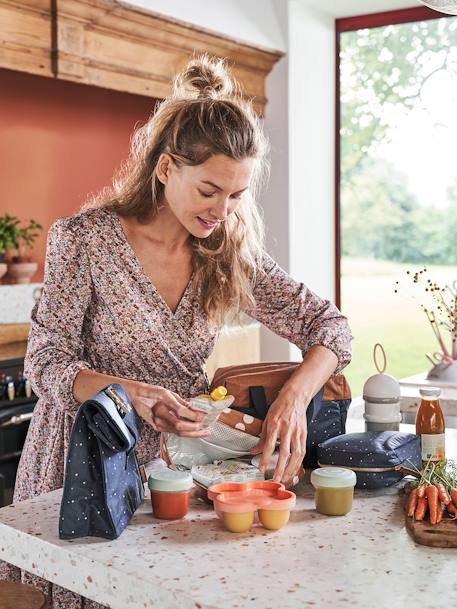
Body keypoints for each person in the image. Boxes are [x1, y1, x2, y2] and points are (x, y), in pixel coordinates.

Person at [0, 54, 352, 607]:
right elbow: (45, 360)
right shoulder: (84, 240)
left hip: (174, 471)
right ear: (166, 168)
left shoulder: (226, 250)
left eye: (237, 196)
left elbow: (329, 327)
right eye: (209, 190)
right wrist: (127, 393)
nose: (223, 210)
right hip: (82, 460)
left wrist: (292, 398)